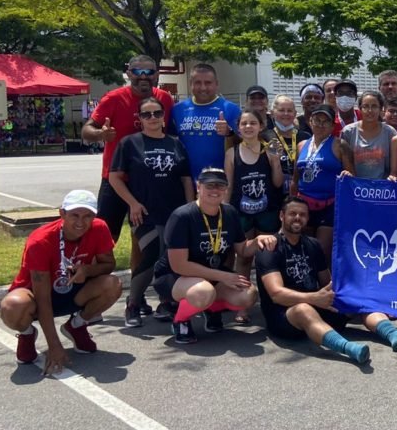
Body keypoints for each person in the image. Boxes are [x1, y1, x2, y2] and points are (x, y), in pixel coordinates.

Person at [254, 197, 397, 364]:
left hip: (316, 304)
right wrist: (314, 298)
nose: (297, 218)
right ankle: (348, 348)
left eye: (302, 214)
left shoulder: (312, 245)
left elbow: (328, 283)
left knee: (356, 295)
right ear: (282, 216)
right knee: (303, 309)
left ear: (308, 218)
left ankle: (394, 335)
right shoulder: (270, 247)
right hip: (283, 317)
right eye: (293, 213)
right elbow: (276, 294)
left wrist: (350, 294)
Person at [0, 190, 122, 374]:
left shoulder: (99, 228)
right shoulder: (40, 241)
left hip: (74, 291)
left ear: (94, 216)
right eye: (75, 215)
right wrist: (54, 345)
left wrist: (87, 270)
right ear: (62, 213)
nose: (81, 222)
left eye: (88, 216)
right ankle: (27, 334)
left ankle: (76, 326)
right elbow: (42, 299)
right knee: (12, 306)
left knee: (113, 284)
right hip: (37, 297)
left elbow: (109, 264)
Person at [152, 167, 277, 345]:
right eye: (209, 185)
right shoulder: (183, 216)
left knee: (248, 294)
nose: (215, 190)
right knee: (204, 292)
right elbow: (179, 265)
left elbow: (242, 249)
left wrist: (257, 241)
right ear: (198, 187)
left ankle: (210, 308)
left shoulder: (229, 212)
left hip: (210, 275)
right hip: (174, 276)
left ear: (226, 189)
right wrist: (223, 276)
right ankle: (180, 320)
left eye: (220, 185)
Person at [108, 97, 194, 327]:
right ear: (139, 118)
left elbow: (186, 179)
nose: (153, 118)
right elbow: (114, 178)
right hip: (144, 212)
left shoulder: (175, 143)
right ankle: (133, 304)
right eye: (147, 114)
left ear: (163, 116)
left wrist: (190, 209)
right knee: (153, 253)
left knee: (170, 257)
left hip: (174, 211)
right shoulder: (129, 143)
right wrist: (133, 203)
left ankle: (166, 302)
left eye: (157, 113)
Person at [81, 54, 174, 243]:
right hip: (116, 179)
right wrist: (100, 134)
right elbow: (86, 130)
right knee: (105, 235)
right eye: (138, 71)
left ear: (156, 74)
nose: (143, 76)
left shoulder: (164, 98)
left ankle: (140, 264)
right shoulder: (114, 98)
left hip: (149, 179)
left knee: (143, 237)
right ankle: (99, 263)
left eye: (149, 71)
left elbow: (171, 134)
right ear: (129, 73)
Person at [225, 108, 284, 326]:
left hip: (267, 212)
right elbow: (228, 186)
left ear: (261, 126)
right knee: (243, 258)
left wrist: (276, 162)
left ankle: (271, 300)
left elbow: (278, 183)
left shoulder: (269, 150)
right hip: (242, 213)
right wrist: (224, 212)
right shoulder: (231, 153)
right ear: (238, 128)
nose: (248, 127)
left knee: (267, 256)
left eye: (252, 123)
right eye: (244, 123)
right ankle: (242, 305)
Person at [294, 104, 352, 257]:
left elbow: (353, 176)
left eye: (325, 121)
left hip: (329, 205)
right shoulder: (301, 145)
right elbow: (295, 178)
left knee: (321, 251)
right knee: (304, 249)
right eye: (317, 120)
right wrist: (291, 203)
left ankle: (324, 274)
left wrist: (348, 175)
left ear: (332, 125)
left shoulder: (340, 145)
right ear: (310, 122)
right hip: (304, 205)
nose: (320, 124)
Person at [169, 63, 241, 183]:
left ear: (216, 84)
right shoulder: (177, 110)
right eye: (198, 83)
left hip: (219, 182)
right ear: (190, 84)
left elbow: (245, 146)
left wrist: (229, 133)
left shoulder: (231, 109)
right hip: (185, 182)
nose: (203, 88)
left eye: (208, 83)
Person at [340, 90, 397, 180]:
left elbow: (395, 167)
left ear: (381, 108)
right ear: (360, 108)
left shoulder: (390, 132)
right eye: (365, 106)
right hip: (355, 185)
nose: (370, 110)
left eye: (374, 106)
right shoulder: (348, 132)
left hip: (383, 185)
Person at [263, 95, 310, 198]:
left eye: (289, 110)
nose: (286, 114)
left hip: (301, 195)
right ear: (272, 113)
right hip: (274, 197)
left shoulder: (306, 137)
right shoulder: (265, 137)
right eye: (281, 110)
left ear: (295, 114)